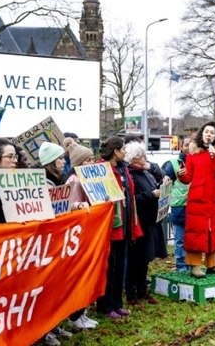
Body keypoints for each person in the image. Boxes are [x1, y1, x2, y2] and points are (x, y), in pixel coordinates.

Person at [96, 136, 142, 320]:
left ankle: (117, 303)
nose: (125, 152)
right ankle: (105, 306)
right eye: (123, 149)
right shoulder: (101, 169)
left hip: (124, 226)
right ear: (115, 151)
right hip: (111, 228)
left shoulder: (123, 169)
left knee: (119, 268)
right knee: (110, 268)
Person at [178, 121, 215, 279]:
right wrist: (181, 174)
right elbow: (188, 178)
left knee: (213, 230)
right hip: (197, 198)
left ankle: (212, 264)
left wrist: (214, 156)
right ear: (202, 134)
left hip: (214, 198)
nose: (209, 135)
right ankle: (195, 266)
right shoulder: (193, 154)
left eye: (212, 133)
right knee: (196, 231)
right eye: (207, 132)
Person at [37, 142, 74, 343]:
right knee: (47, 288)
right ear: (51, 161)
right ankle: (45, 331)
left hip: (58, 239)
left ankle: (55, 325)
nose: (63, 161)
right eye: (60, 158)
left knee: (57, 287)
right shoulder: (43, 182)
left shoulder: (59, 179)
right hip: (46, 242)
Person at [125, 141, 165, 306]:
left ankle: (142, 290)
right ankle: (131, 293)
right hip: (139, 221)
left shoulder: (145, 172)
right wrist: (152, 194)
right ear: (134, 159)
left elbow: (160, 177)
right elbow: (132, 200)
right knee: (136, 259)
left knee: (145, 258)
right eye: (141, 156)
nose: (145, 158)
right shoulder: (130, 174)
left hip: (150, 220)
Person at [63, 143, 98, 330]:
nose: (92, 162)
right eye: (88, 160)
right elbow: (71, 206)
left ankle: (82, 313)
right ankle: (75, 315)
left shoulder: (87, 180)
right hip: (80, 234)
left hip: (88, 232)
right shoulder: (74, 182)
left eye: (93, 158)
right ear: (78, 163)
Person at [161, 137, 191, 273]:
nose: (188, 147)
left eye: (191, 145)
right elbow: (166, 183)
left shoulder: (196, 162)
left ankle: (191, 264)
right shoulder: (173, 164)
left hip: (194, 207)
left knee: (192, 238)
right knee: (179, 239)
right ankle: (181, 265)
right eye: (186, 144)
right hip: (179, 207)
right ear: (181, 146)